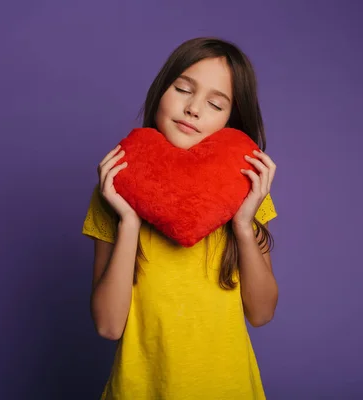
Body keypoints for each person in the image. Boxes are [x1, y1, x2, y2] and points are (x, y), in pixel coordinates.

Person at [82, 37, 278, 399]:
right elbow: (109, 326)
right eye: (183, 89)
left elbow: (262, 313)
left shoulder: (244, 193)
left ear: (230, 120)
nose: (193, 109)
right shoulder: (113, 191)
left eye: (215, 104)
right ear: (161, 90)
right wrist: (128, 222)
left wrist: (243, 224)